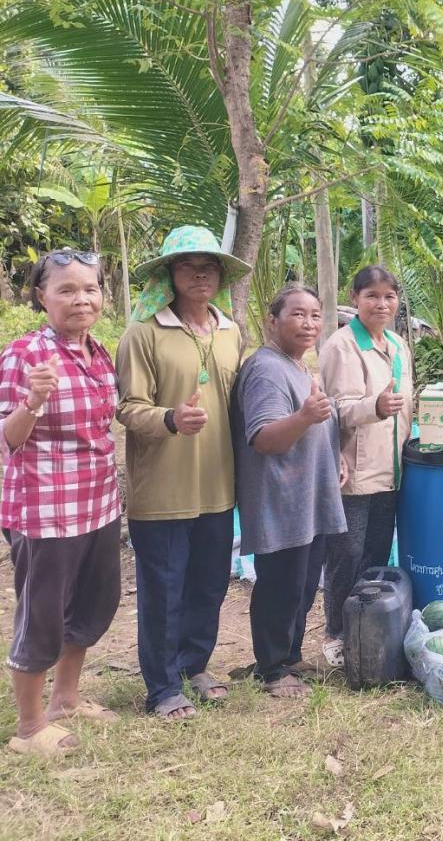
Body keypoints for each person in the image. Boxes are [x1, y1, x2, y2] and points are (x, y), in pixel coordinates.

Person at [116, 226, 251, 720]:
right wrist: (171, 418)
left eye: (209, 266)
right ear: (169, 274)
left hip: (218, 484)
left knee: (209, 584)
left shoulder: (230, 331)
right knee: (164, 591)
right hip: (163, 488)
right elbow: (128, 407)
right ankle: (162, 687)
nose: (200, 274)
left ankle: (194, 666)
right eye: (188, 265)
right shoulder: (144, 332)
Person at [1, 250, 122, 756]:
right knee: (42, 614)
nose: (81, 299)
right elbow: (8, 438)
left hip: (98, 502)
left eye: (90, 289)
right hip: (46, 509)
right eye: (66, 290)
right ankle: (30, 727)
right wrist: (33, 401)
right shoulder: (24, 354)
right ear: (41, 296)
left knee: (93, 603)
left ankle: (66, 698)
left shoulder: (100, 353)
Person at [231, 284, 347, 697]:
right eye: (297, 314)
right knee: (280, 585)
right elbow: (264, 438)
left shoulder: (295, 366)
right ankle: (272, 668)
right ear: (272, 321)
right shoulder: (266, 369)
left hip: (306, 500)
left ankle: (289, 657)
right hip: (280, 500)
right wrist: (304, 417)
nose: (309, 323)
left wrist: (336, 458)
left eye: (315, 315)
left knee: (301, 583)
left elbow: (317, 427)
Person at [317, 266, 413, 668]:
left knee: (376, 552)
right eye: (372, 295)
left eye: (389, 296)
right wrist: (375, 406)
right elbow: (334, 409)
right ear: (354, 298)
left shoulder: (397, 343)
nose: (381, 304)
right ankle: (338, 634)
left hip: (390, 467)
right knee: (347, 554)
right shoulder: (341, 346)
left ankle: (369, 628)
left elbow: (407, 404)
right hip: (352, 469)